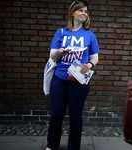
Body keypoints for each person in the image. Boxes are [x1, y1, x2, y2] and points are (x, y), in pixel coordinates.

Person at [45, 1, 99, 150]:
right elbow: (52, 55)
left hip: (79, 79)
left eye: (86, 11)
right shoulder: (61, 32)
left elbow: (95, 57)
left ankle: (73, 147)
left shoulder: (90, 35)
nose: (84, 13)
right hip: (60, 79)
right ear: (72, 13)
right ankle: (51, 145)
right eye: (80, 10)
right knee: (56, 114)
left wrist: (89, 65)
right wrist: (59, 52)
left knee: (75, 115)